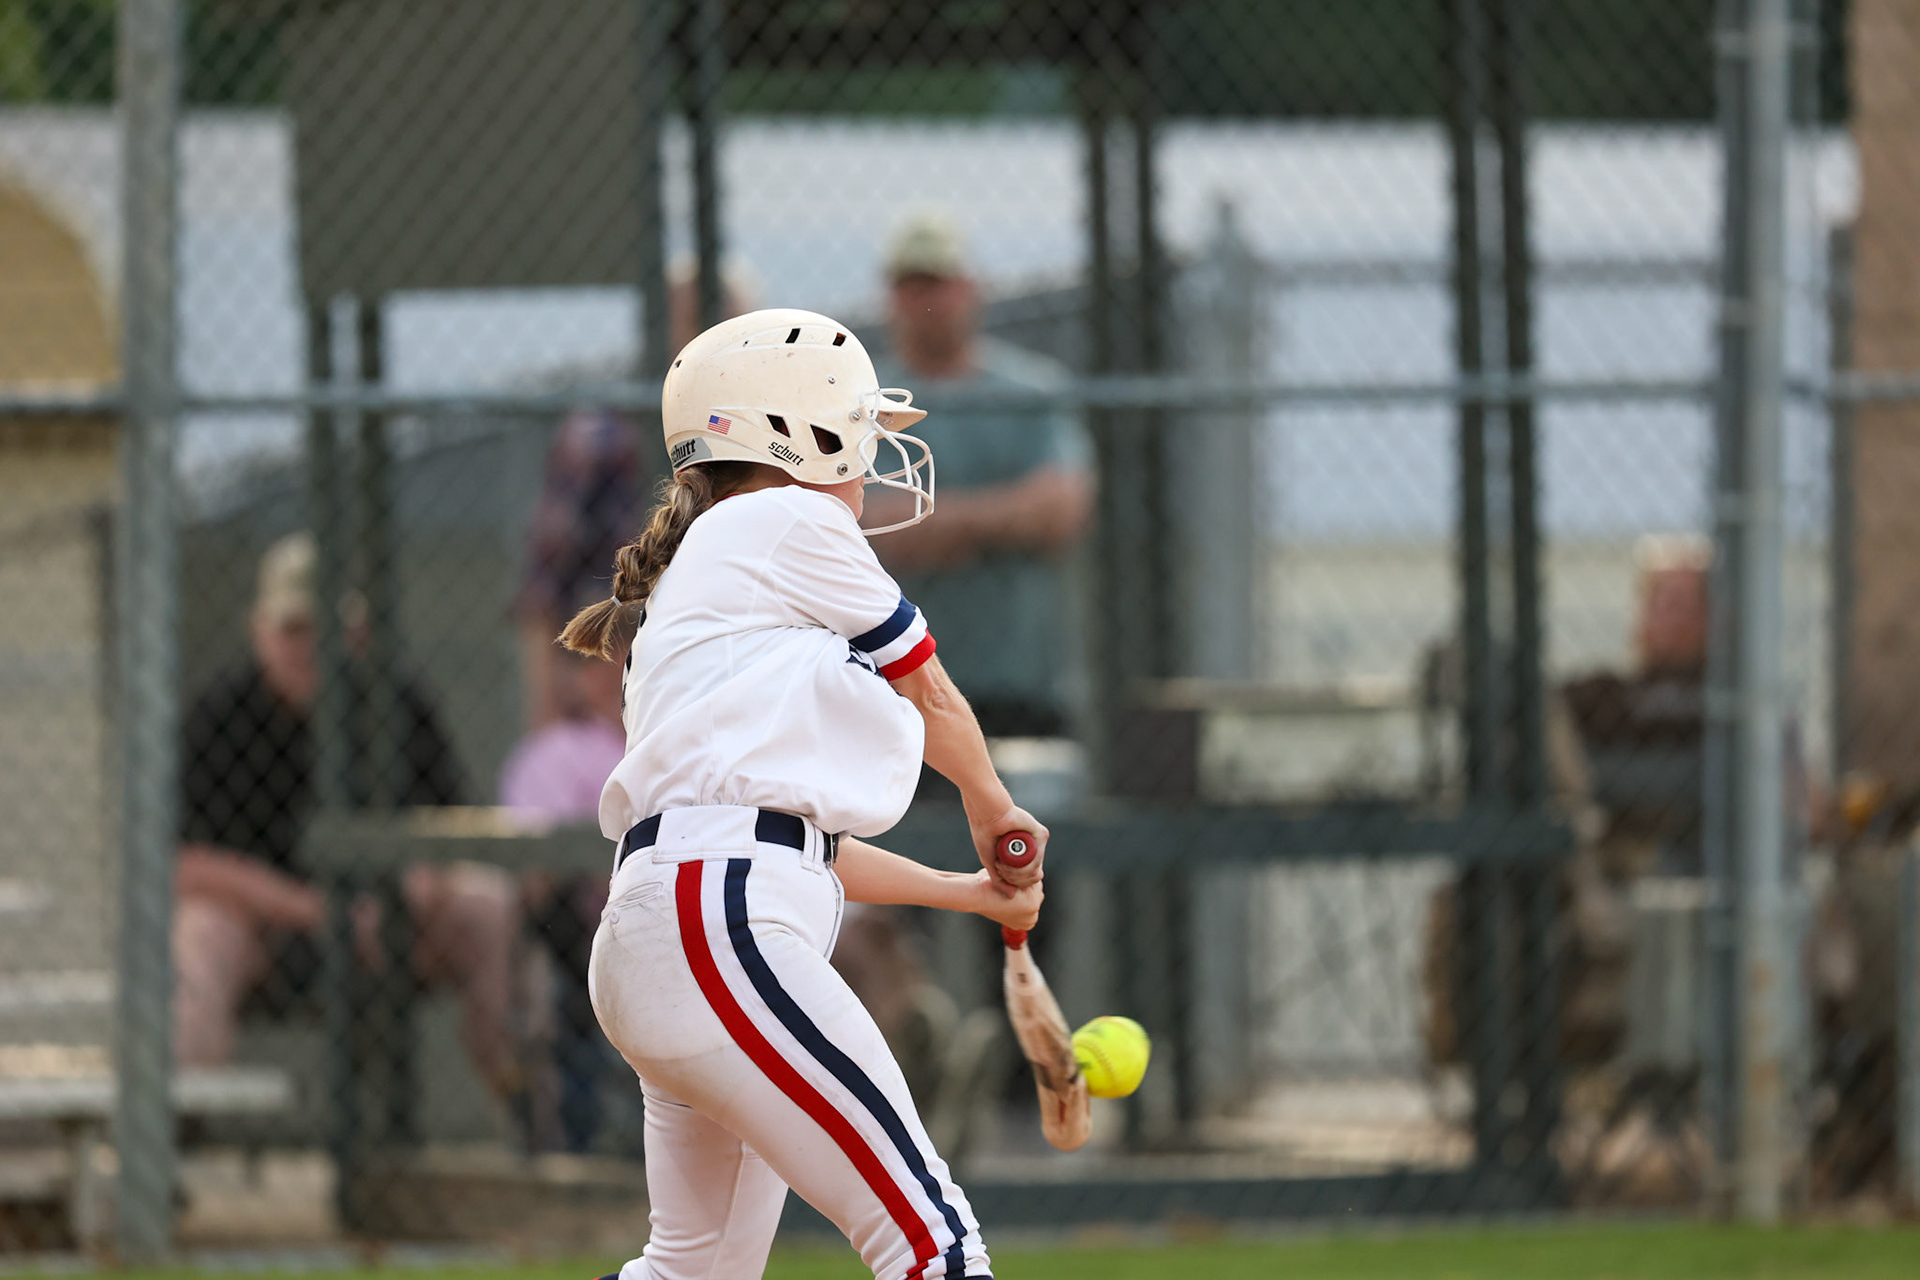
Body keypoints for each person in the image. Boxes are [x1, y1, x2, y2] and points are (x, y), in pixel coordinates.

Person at [564, 308, 1045, 1280]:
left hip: (674, 927)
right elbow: (927, 682)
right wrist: (996, 806)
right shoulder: (783, 516)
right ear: (796, 437)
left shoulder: (712, 590)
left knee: (691, 1267)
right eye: (857, 434)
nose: (868, 464)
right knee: (932, 1239)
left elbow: (789, 838)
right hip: (715, 924)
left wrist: (968, 888)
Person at [173, 532, 522, 1106]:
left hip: (392, 928)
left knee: (487, 904)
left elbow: (455, 828)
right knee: (199, 934)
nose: (311, 647)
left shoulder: (397, 703)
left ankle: (531, 1118)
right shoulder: (223, 713)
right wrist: (314, 910)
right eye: (294, 630)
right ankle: (173, 1149)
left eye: (328, 629)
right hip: (269, 932)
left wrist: (419, 886)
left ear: (358, 635)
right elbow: (184, 866)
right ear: (258, 633)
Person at [868, 213, 1093, 739]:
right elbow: (865, 527)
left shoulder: (1033, 393)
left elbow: (1061, 510)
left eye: (938, 283)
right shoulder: (865, 402)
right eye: (910, 284)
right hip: (893, 683)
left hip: (1018, 683)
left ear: (970, 289)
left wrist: (930, 523)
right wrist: (1002, 520)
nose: (925, 300)